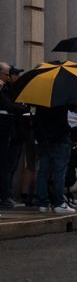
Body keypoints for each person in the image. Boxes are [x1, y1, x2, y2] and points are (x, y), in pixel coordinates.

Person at [33, 101, 74, 213]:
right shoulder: (63, 96)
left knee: (43, 171)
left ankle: (43, 203)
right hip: (60, 138)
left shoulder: (40, 97)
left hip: (44, 138)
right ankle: (58, 203)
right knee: (59, 172)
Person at [0, 63, 30, 209]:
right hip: (6, 132)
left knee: (11, 165)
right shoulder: (4, 90)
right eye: (13, 74)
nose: (17, 77)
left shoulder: (15, 90)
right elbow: (8, 106)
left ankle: (7, 195)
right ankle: (5, 196)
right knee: (6, 165)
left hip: (17, 132)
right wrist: (24, 108)